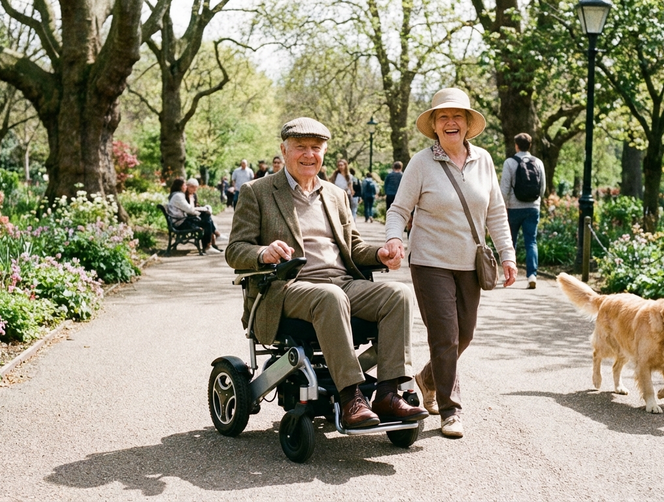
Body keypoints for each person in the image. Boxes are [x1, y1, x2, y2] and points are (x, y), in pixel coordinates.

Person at [225, 117, 428, 428]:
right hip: (287, 287)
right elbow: (235, 249)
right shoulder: (258, 191)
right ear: (284, 149)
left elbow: (354, 247)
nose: (309, 155)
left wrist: (380, 254)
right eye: (301, 148)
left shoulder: (336, 194)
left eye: (316, 148)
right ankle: (350, 398)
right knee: (330, 296)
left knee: (398, 293)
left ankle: (388, 393)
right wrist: (263, 253)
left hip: (343, 284)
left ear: (324, 153)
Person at [383, 88, 517, 438]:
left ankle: (428, 379)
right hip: (429, 262)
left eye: (457, 116)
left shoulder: (483, 160)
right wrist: (394, 238)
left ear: (469, 123)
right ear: (435, 125)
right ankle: (450, 410)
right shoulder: (421, 163)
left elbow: (496, 213)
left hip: (470, 263)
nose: (450, 122)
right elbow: (399, 210)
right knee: (445, 336)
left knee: (465, 334)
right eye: (443, 117)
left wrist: (508, 254)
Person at [499, 132, 546, 289]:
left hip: (514, 207)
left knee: (510, 241)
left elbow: (505, 187)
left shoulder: (510, 163)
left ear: (516, 145)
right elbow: (543, 187)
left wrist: (502, 207)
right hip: (533, 207)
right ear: (530, 146)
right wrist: (537, 201)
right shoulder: (538, 162)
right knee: (531, 241)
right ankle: (532, 275)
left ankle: (508, 274)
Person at [167, 178, 221, 254]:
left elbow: (189, 209)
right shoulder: (178, 196)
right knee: (206, 218)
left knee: (206, 217)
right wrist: (200, 212)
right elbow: (190, 210)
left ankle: (209, 245)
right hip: (180, 223)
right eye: (185, 184)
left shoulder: (177, 195)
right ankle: (208, 246)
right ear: (180, 186)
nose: (186, 186)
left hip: (180, 220)